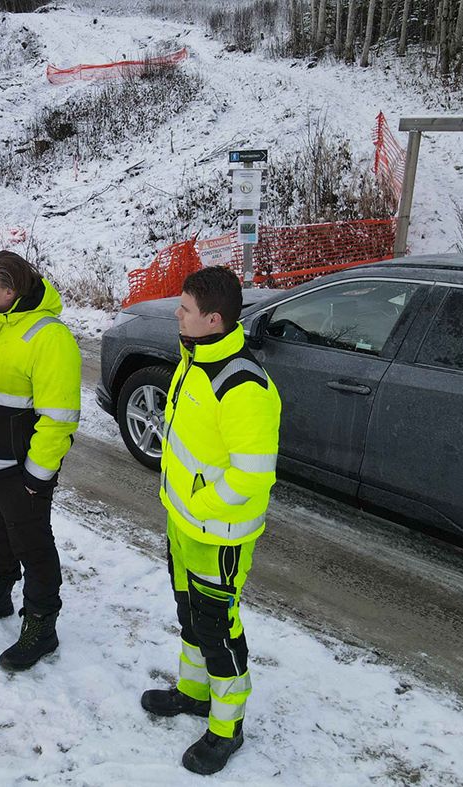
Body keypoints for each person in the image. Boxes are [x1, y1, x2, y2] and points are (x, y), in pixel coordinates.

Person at [139, 266, 281, 775]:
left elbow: (251, 477)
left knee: (219, 631)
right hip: (184, 527)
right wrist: (182, 508)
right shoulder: (193, 359)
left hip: (217, 535)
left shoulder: (243, 386)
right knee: (190, 617)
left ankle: (226, 728)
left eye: (184, 309)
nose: (176, 314)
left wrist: (199, 506)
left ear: (213, 319)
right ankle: (194, 694)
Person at [0, 250, 81, 672]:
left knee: (34, 546)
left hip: (17, 471)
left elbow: (58, 418)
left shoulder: (49, 337)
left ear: (10, 291)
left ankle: (41, 625)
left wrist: (37, 477)